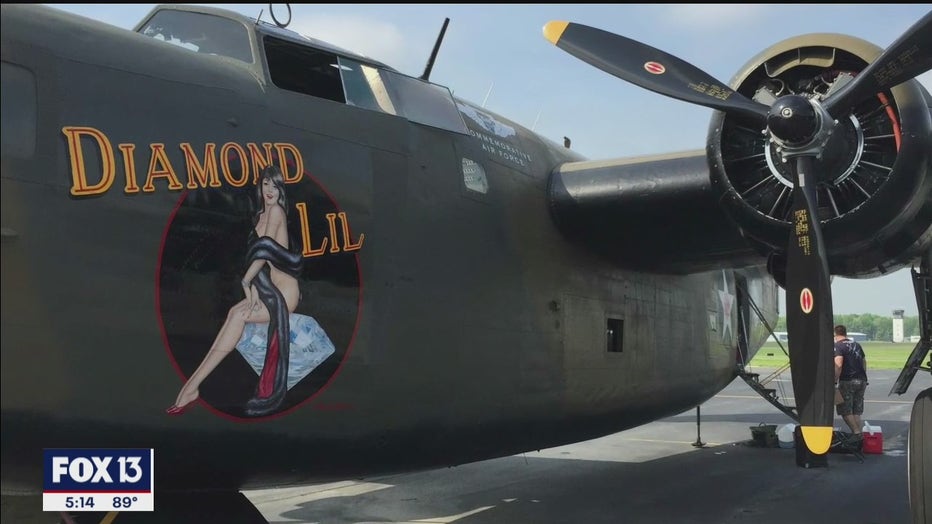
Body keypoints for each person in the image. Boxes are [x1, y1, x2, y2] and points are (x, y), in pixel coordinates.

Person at [167, 165, 303, 417]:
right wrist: (253, 288)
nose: (270, 190)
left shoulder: (276, 212)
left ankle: (192, 387)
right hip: (268, 289)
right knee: (234, 314)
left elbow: (262, 254)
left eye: (275, 185)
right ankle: (192, 387)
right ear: (260, 186)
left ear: (281, 190)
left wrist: (246, 283)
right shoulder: (260, 215)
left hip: (284, 294)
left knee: (237, 315)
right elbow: (256, 259)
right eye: (265, 184)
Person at [834, 325, 868, 438]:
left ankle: (857, 433)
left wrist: (834, 380)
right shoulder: (857, 345)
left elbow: (838, 364)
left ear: (835, 334)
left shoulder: (838, 346)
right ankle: (858, 436)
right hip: (861, 380)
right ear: (845, 333)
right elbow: (864, 362)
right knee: (856, 411)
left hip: (847, 381)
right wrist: (864, 376)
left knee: (845, 410)